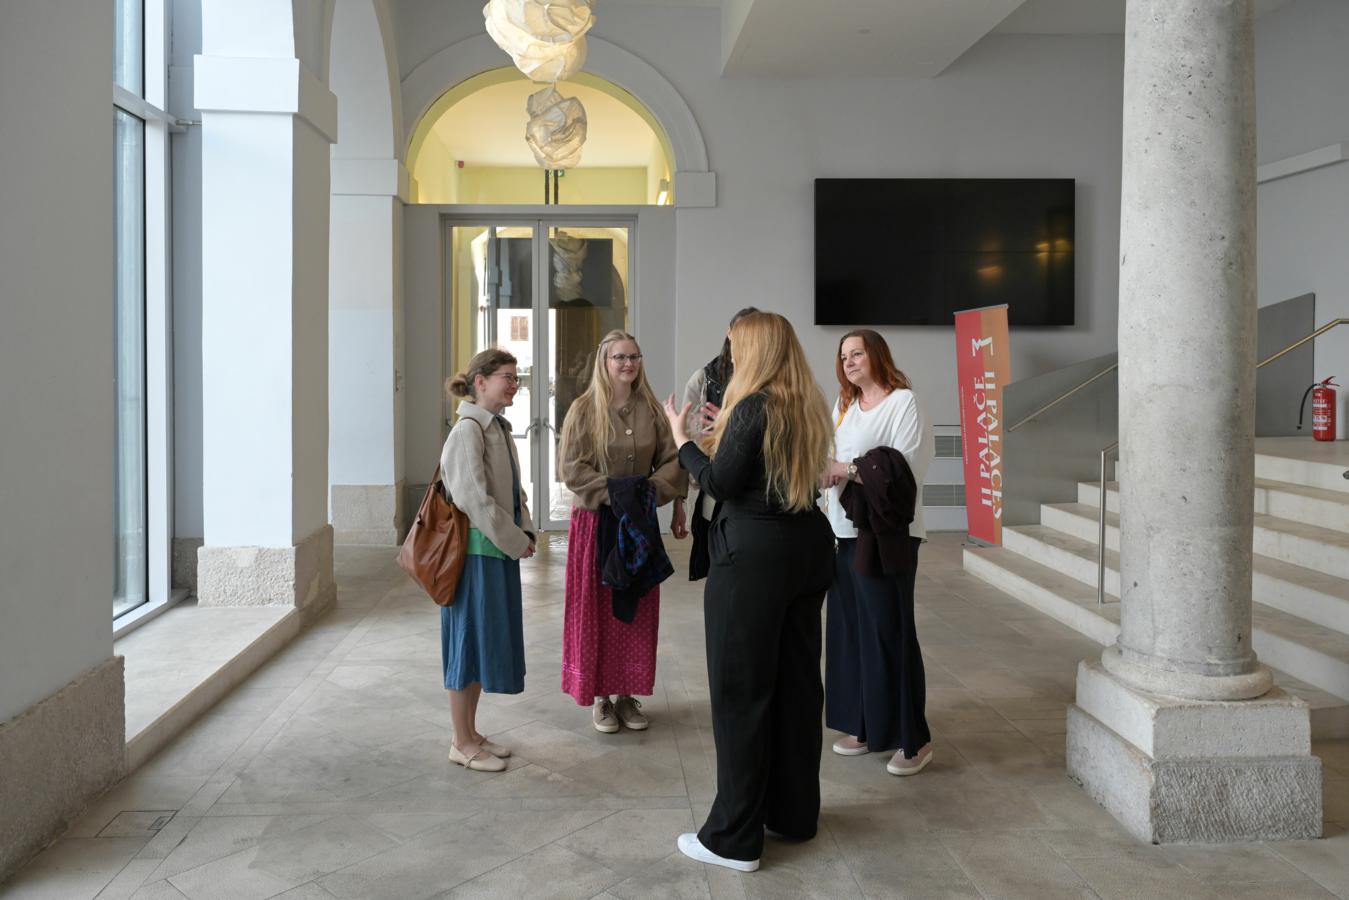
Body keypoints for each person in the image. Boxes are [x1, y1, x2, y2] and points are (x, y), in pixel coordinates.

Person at [663, 311, 836, 872]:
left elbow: (719, 482)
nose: (731, 355)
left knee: (741, 691)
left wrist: (682, 439)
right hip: (808, 547)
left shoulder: (755, 406)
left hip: (755, 556)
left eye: (737, 346)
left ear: (755, 350)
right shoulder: (807, 403)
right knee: (797, 686)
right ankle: (793, 814)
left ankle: (733, 839)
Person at [558, 330, 689, 733]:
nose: (628, 364)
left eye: (634, 357)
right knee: (598, 609)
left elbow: (673, 460)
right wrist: (617, 494)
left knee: (637, 609)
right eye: (620, 357)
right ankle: (601, 697)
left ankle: (627, 695)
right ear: (604, 362)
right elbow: (572, 468)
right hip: (596, 522)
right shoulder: (584, 409)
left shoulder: (651, 409)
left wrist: (649, 494)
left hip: (639, 524)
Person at [823, 329, 935, 776]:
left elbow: (904, 470)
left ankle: (913, 739)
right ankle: (865, 724)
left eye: (857, 353)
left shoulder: (903, 402)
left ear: (877, 355)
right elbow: (830, 456)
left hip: (886, 534)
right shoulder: (845, 405)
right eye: (843, 356)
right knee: (851, 633)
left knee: (889, 632)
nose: (849, 362)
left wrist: (844, 469)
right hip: (842, 530)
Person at [439, 348, 537, 773]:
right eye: (507, 377)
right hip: (476, 555)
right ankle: (460, 742)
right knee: (466, 645)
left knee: (480, 644)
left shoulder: (496, 426)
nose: (514, 384)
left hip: (496, 551)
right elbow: (474, 500)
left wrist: (525, 531)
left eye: (516, 377)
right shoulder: (468, 430)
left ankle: (471, 733)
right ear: (480, 382)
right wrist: (515, 540)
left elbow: (514, 492)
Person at [680, 306, 759, 580]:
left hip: (758, 500)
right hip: (716, 486)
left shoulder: (772, 382)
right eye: (741, 332)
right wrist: (716, 434)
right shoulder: (704, 378)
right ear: (729, 333)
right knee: (719, 570)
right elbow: (688, 434)